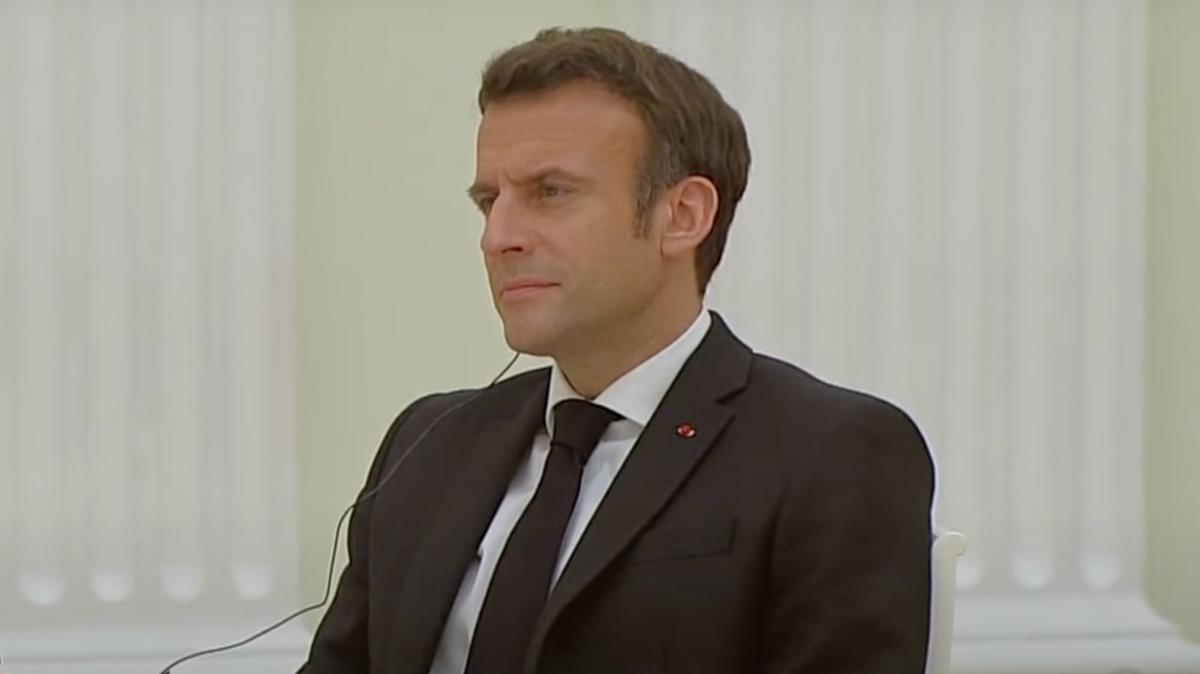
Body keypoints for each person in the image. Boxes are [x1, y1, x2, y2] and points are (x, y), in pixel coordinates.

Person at [300, 26, 933, 674]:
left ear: (682, 215)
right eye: (489, 201)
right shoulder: (430, 440)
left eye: (550, 192)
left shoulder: (829, 451)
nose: (498, 237)